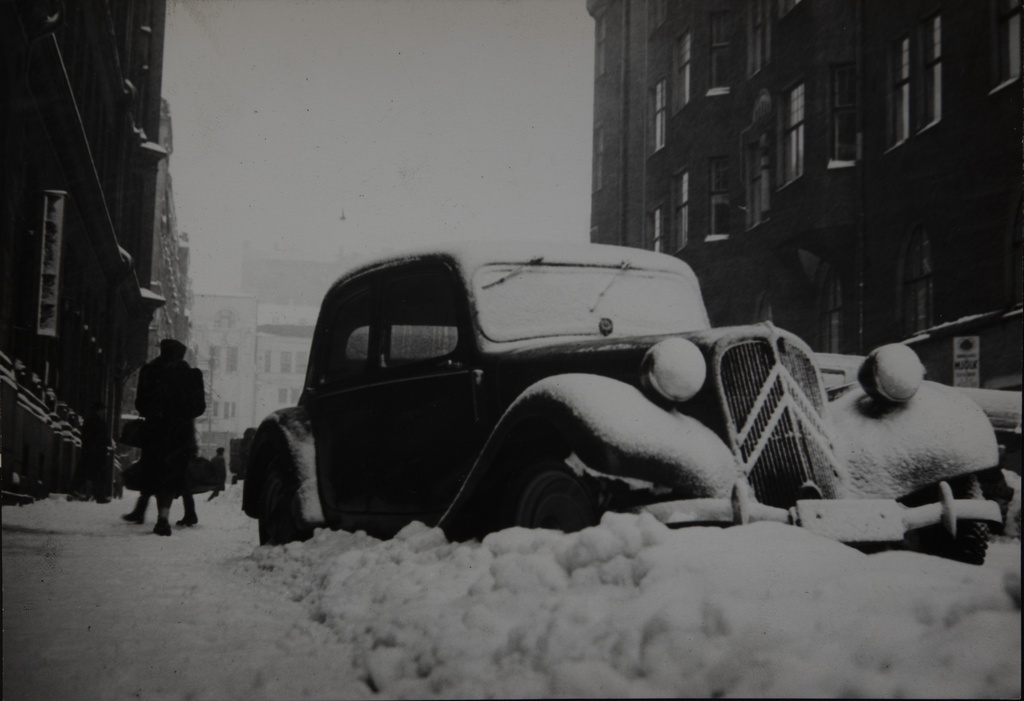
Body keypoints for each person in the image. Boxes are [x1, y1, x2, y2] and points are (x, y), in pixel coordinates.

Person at [121, 338, 205, 536]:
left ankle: (154, 515)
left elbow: (140, 404)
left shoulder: (149, 371)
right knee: (174, 474)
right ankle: (163, 518)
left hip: (154, 432)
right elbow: (199, 407)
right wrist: (181, 413)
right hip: (180, 433)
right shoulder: (191, 375)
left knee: (155, 472)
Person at [70, 402, 109, 502]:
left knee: (84, 472)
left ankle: (74, 489)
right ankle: (99, 496)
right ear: (98, 410)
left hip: (89, 451)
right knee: (97, 474)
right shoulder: (98, 422)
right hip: (96, 452)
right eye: (102, 410)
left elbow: (86, 435)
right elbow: (102, 437)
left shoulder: (90, 421)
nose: (104, 412)